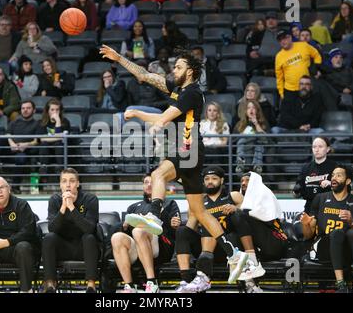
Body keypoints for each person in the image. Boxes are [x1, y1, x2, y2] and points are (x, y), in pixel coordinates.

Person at [99, 44, 250, 285]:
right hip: (190, 154)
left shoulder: (191, 93)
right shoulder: (178, 89)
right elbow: (144, 75)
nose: (174, 69)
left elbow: (162, 119)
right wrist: (119, 59)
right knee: (200, 212)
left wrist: (138, 113)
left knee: (158, 174)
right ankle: (236, 254)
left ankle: (154, 216)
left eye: (178, 66)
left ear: (190, 71)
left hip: (188, 150)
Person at [176, 167, 280, 293]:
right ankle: (187, 281)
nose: (210, 181)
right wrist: (178, 226)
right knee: (182, 231)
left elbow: (248, 218)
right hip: (207, 249)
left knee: (234, 222)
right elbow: (190, 229)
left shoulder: (234, 196)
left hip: (232, 247)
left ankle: (249, 282)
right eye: (207, 179)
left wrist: (237, 208)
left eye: (214, 179)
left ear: (222, 180)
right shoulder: (198, 204)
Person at [301, 165, 353, 293]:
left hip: (347, 252)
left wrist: (352, 222)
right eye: (333, 175)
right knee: (336, 233)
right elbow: (308, 236)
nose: (334, 178)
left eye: (339, 175)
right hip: (324, 249)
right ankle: (341, 284)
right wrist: (305, 224)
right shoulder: (320, 199)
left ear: (348, 181)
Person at [111, 173, 180, 293]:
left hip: (161, 246)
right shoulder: (133, 207)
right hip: (138, 247)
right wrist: (125, 225)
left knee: (139, 230)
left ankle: (152, 282)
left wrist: (175, 225)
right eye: (146, 182)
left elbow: (174, 229)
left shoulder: (170, 203)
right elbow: (125, 231)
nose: (149, 185)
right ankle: (129, 286)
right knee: (116, 237)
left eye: (152, 182)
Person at [42, 168, 100, 293]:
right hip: (62, 248)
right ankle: (50, 284)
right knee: (48, 238)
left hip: (83, 248)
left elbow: (89, 229)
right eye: (64, 181)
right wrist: (63, 207)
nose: (68, 184)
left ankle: (91, 285)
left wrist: (72, 207)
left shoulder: (90, 199)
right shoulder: (55, 200)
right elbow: (52, 228)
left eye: (72, 181)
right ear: (60, 185)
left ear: (78, 184)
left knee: (89, 238)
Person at [0, 100, 40, 193]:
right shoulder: (15, 121)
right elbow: (8, 134)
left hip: (25, 151)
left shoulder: (37, 124)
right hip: (11, 149)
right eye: (23, 108)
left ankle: (15, 186)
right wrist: (12, 143)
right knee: (1, 138)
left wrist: (26, 145)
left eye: (28, 108)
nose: (25, 110)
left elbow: (37, 141)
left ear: (34, 110)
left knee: (21, 158)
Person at [293, 137, 337, 214]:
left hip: (329, 209)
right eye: (314, 147)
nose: (317, 149)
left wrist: (331, 184)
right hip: (309, 209)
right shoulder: (306, 168)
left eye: (320, 146)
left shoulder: (335, 167)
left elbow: (345, 190)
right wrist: (296, 192)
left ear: (327, 149)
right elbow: (297, 195)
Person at [275, 30, 322, 100]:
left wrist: (316, 69)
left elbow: (317, 55)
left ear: (290, 37)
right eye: (280, 40)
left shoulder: (303, 45)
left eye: (284, 38)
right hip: (290, 90)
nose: (283, 41)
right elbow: (279, 77)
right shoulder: (279, 56)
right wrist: (281, 93)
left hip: (307, 87)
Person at [234, 99, 269, 174]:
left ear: (257, 110)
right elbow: (234, 140)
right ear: (245, 111)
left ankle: (257, 166)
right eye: (248, 108)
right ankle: (240, 163)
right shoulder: (239, 124)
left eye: (253, 108)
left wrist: (256, 124)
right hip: (244, 147)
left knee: (259, 143)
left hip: (256, 147)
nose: (251, 110)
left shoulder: (263, 123)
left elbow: (265, 140)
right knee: (242, 139)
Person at [37, 99, 71, 175]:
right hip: (46, 149)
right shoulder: (41, 122)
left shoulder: (65, 122)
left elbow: (63, 139)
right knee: (44, 144)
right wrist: (59, 136)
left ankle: (60, 167)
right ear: (48, 111)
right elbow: (42, 139)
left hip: (60, 149)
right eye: (52, 109)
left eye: (57, 110)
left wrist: (58, 121)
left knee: (59, 144)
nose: (55, 112)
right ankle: (43, 167)